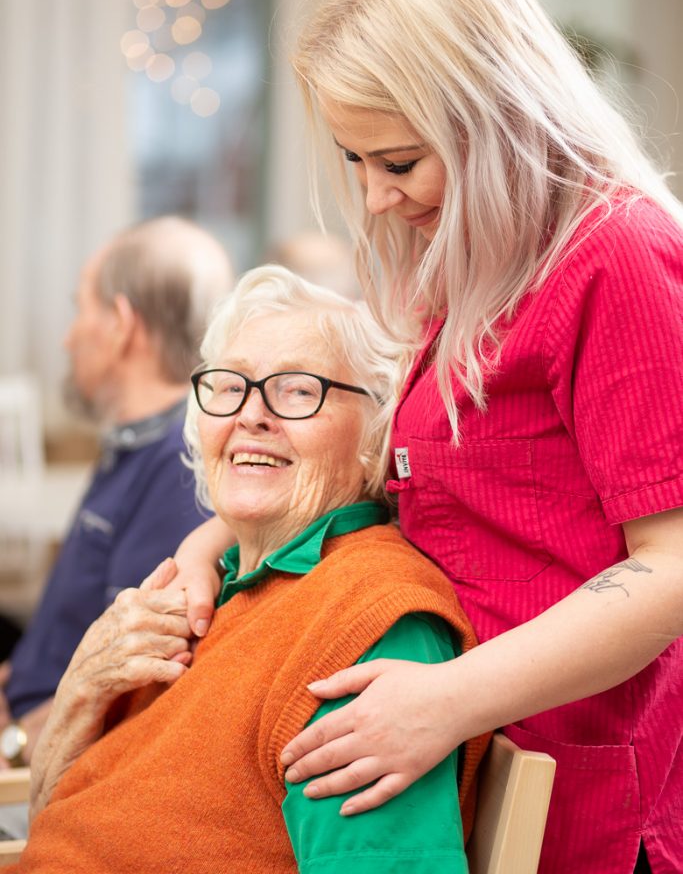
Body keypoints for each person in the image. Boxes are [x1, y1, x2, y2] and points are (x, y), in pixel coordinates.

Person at [171, 0, 683, 874]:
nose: (371, 197)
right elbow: (425, 499)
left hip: (580, 795)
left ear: (492, 120)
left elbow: (672, 566)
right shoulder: (470, 274)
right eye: (354, 160)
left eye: (399, 162)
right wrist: (214, 541)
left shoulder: (617, 258)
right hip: (459, 764)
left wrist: (449, 700)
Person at [6, 266, 489, 874]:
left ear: (377, 431)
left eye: (296, 389)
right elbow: (64, 828)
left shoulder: (370, 621)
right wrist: (81, 689)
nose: (250, 416)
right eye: (230, 386)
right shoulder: (205, 591)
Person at [0, 216, 233, 769]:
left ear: (121, 324)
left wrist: (11, 743)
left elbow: (122, 701)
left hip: (42, 768)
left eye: (81, 309)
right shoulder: (135, 444)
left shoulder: (182, 467)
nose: (68, 336)